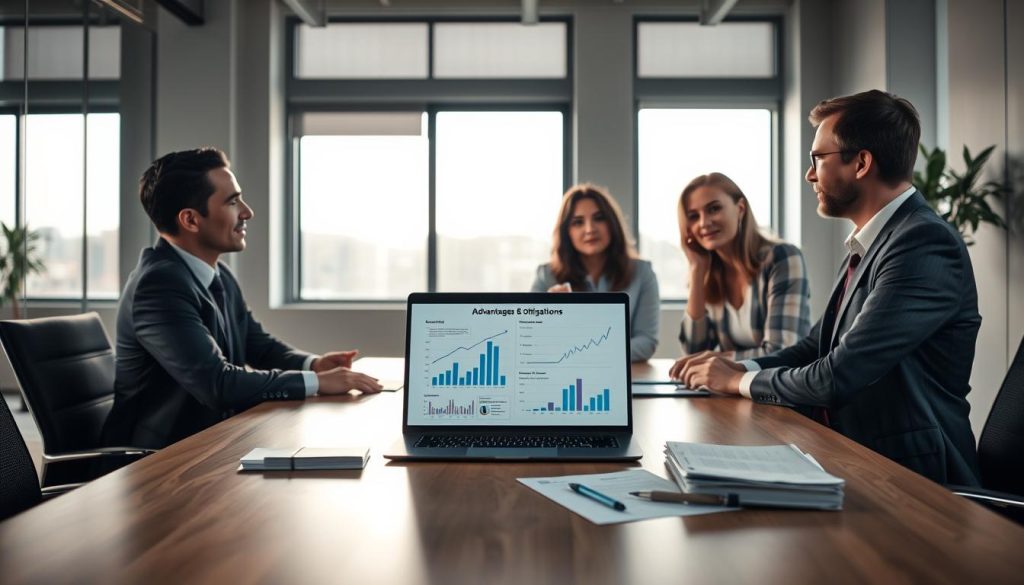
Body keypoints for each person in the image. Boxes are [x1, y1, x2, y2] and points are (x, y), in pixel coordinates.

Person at [670, 90, 982, 486]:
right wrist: (741, 367)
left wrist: (735, 382)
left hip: (909, 474)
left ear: (862, 163)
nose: (810, 174)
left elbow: (835, 376)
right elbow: (814, 348)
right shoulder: (871, 242)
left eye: (818, 158)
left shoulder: (920, 243)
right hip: (851, 452)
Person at [103, 148, 382, 450]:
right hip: (156, 464)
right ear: (191, 220)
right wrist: (318, 384)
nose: (247, 212)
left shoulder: (217, 273)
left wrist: (314, 365)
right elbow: (217, 384)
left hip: (212, 444)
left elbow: (256, 345)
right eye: (233, 202)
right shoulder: (158, 286)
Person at [678, 172, 810, 359]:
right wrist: (696, 270)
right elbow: (692, 351)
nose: (704, 223)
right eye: (693, 216)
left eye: (714, 209)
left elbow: (781, 351)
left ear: (740, 208)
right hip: (731, 387)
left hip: (782, 385)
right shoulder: (709, 272)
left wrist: (714, 361)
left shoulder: (782, 258)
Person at [531, 183, 660, 361]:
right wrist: (552, 319)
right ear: (566, 231)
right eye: (578, 222)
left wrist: (587, 352)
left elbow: (646, 342)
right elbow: (533, 340)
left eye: (599, 218)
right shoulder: (546, 276)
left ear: (612, 223)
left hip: (621, 374)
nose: (590, 229)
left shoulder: (642, 272)